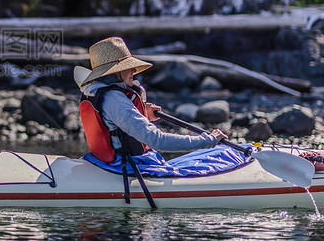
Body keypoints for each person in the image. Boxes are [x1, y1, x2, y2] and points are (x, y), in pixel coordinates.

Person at [79, 36, 226, 163]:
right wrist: (208, 141)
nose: (133, 71)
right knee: (219, 156)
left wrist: (143, 114)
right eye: (128, 67)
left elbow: (112, 124)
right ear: (116, 71)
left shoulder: (96, 91)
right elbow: (157, 140)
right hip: (126, 169)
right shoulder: (114, 99)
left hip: (106, 165)